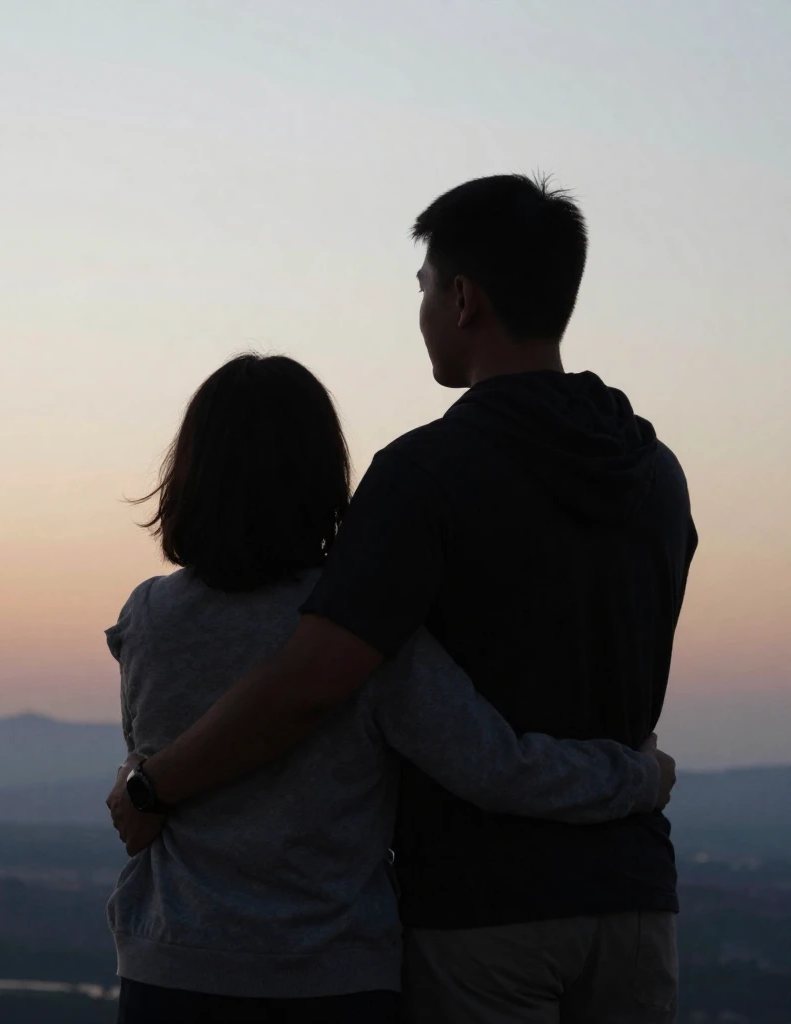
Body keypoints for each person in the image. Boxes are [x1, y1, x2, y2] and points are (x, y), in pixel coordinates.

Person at [110, 175, 698, 1023]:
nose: (420, 311)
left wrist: (151, 786)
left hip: (478, 912)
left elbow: (312, 681)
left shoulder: (424, 475)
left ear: (463, 299)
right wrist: (637, 774)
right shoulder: (657, 474)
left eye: (423, 288)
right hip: (636, 897)